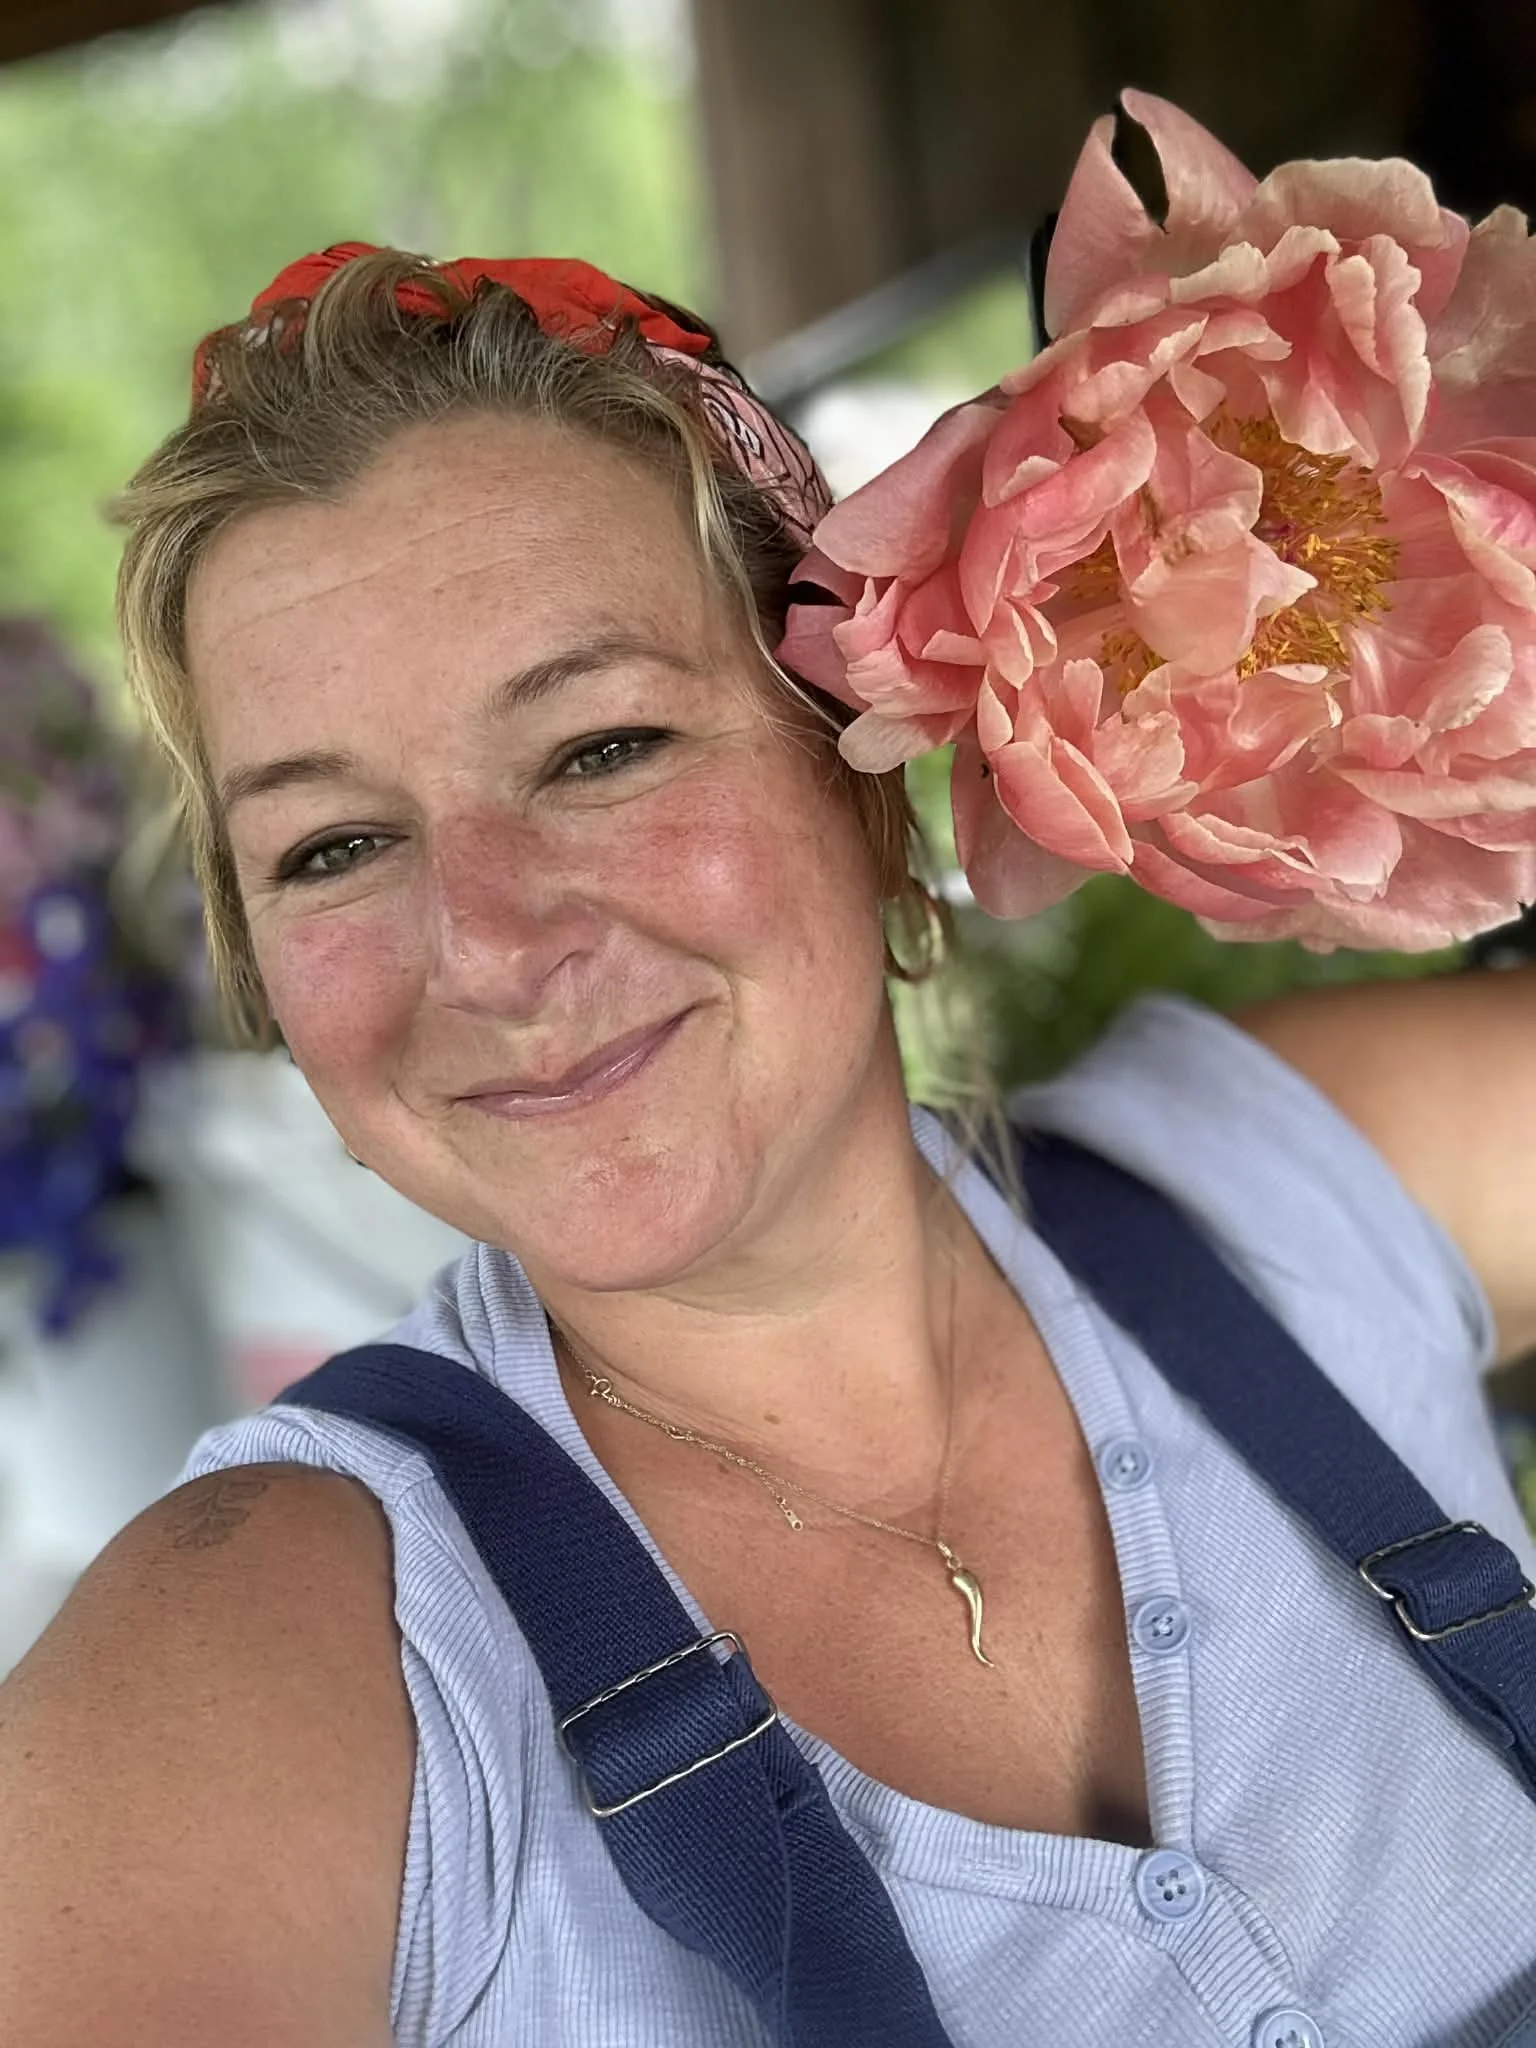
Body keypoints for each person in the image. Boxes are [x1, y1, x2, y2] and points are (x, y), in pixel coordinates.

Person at [1, 237, 1534, 2048]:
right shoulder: (276, 1641)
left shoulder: (1289, 1182)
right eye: (332, 847)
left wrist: (1405, 604)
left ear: (870, 773)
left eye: (601, 748)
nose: (486, 947)